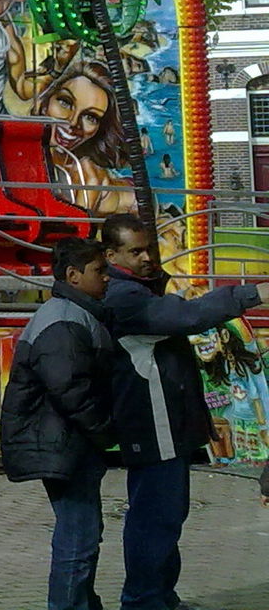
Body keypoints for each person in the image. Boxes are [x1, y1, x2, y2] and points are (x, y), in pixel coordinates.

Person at [99, 213, 269, 610]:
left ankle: (158, 596)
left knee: (167, 514)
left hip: (166, 421)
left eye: (149, 249)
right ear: (111, 255)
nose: (147, 258)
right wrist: (252, 294)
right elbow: (186, 316)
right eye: (135, 252)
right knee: (155, 515)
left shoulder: (137, 290)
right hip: (152, 421)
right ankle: (144, 600)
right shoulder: (124, 298)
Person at [0, 237, 117, 610]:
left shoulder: (74, 314)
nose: (107, 278)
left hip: (67, 442)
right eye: (99, 271)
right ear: (73, 275)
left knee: (83, 534)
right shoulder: (64, 320)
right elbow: (70, 388)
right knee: (78, 538)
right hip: (66, 444)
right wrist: (105, 430)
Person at [33, 53, 137, 219]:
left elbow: (76, 228)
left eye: (90, 117)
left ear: (99, 129)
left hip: (135, 205)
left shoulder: (88, 175)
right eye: (65, 102)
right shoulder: (27, 154)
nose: (73, 122)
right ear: (46, 104)